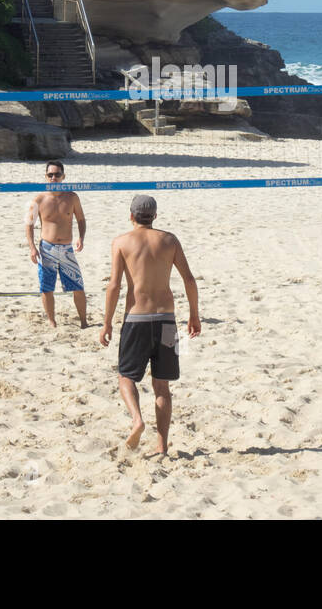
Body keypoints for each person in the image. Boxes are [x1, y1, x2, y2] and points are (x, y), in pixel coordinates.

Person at [100, 195, 200, 455]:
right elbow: (189, 280)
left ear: (131, 215)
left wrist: (107, 322)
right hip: (167, 320)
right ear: (155, 216)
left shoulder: (121, 242)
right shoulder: (169, 240)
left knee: (125, 377)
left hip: (137, 319)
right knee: (162, 386)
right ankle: (162, 446)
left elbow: (114, 286)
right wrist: (194, 314)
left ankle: (137, 419)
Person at [24, 161, 89, 328]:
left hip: (67, 249)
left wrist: (81, 237)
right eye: (50, 175)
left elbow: (81, 219)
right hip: (47, 248)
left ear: (63, 176)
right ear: (45, 176)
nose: (54, 178)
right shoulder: (39, 199)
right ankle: (52, 321)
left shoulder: (72, 197)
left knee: (78, 286)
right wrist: (32, 248)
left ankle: (83, 321)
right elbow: (29, 224)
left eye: (57, 174)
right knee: (47, 287)